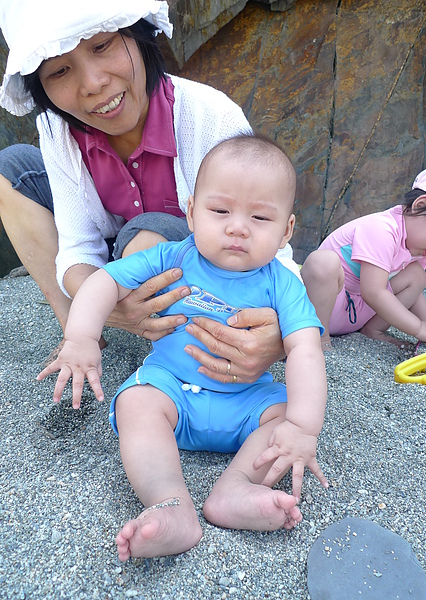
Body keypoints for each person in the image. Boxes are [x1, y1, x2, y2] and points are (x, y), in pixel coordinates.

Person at [37, 134, 328, 561]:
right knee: (137, 401)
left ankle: (235, 488)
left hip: (244, 401)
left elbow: (306, 349)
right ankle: (170, 501)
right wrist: (80, 337)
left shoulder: (282, 283)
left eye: (260, 218)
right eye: (220, 210)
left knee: (284, 416)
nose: (237, 227)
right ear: (191, 212)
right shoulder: (171, 257)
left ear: (286, 230)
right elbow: (103, 281)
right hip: (172, 389)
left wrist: (303, 428)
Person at [0, 0, 292, 383]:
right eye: (59, 71)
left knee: (144, 233)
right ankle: (77, 325)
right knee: (10, 168)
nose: (92, 83)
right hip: (114, 258)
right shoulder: (58, 129)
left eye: (101, 46)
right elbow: (78, 247)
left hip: (187, 261)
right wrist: (105, 304)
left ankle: (167, 346)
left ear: (138, 35)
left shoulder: (210, 115)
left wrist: (281, 332)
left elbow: (266, 239)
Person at [301, 163, 426, 351]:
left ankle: (373, 330)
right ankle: (319, 340)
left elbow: (414, 292)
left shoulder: (419, 249)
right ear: (420, 206)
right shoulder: (381, 228)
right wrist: (419, 328)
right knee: (322, 262)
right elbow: (374, 292)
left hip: (357, 313)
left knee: (417, 276)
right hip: (325, 307)